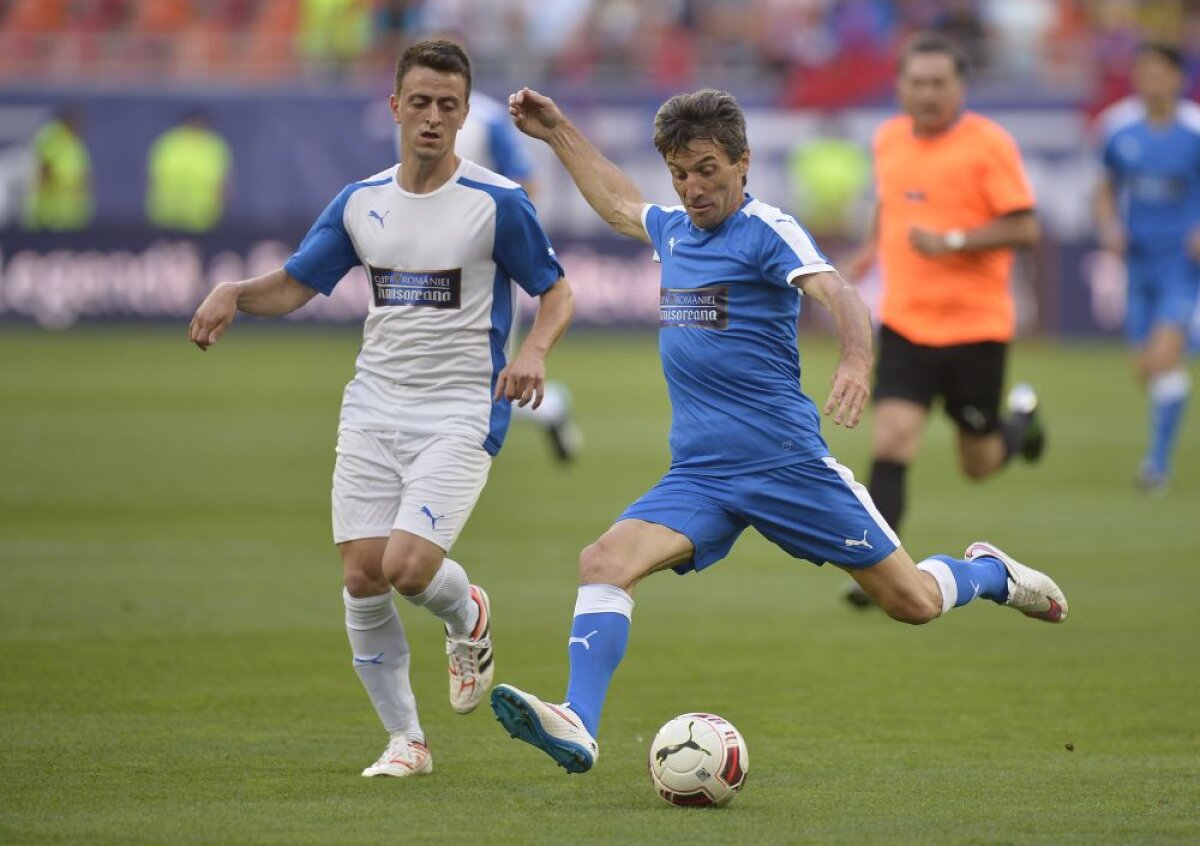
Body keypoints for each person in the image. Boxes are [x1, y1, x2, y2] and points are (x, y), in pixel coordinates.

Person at [488, 84, 1068, 775]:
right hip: (701, 474)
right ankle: (579, 721)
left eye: (707, 170)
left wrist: (855, 360)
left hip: (785, 466)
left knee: (911, 602)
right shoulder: (673, 231)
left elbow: (839, 292)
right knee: (604, 563)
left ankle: (990, 573)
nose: (693, 188)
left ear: (743, 162)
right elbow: (617, 203)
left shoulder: (767, 229)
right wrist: (557, 131)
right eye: (679, 173)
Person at [188, 40, 573, 778]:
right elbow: (296, 283)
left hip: (460, 410)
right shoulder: (360, 201)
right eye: (419, 102)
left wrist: (534, 351)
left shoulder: (498, 202)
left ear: (464, 115)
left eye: (448, 106)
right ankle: (406, 741)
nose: (432, 117)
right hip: (372, 407)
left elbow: (555, 291)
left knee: (407, 566)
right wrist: (234, 292)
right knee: (363, 575)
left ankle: (467, 613)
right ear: (396, 107)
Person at [842, 33, 1046, 610]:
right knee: (891, 438)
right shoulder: (888, 138)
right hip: (907, 324)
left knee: (978, 463)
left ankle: (1022, 426)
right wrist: (869, 250)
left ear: (959, 88)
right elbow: (891, 200)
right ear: (900, 86)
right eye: (917, 82)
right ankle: (882, 575)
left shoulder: (988, 144)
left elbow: (1026, 227)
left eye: (938, 83)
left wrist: (952, 240)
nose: (927, 93)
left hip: (975, 330)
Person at [1094, 43, 1200, 494]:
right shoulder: (1117, 127)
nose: (1150, 80)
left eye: (1159, 72)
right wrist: (1109, 226)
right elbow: (1104, 188)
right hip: (1137, 262)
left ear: (1178, 77)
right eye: (1144, 72)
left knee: (1162, 356)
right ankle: (1177, 378)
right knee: (1147, 368)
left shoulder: (1194, 129)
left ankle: (1156, 466)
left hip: (1182, 264)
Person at [146, 110, 232, 232]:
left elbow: (224, 182)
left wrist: (223, 208)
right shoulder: (169, 142)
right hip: (167, 216)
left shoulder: (214, 145)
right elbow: (153, 177)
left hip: (202, 217)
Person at [22, 108, 93, 231]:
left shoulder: (76, 144)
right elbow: (44, 168)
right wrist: (50, 190)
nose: (80, 126)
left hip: (71, 214)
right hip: (50, 213)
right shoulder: (53, 137)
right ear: (67, 121)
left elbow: (81, 175)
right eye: (75, 122)